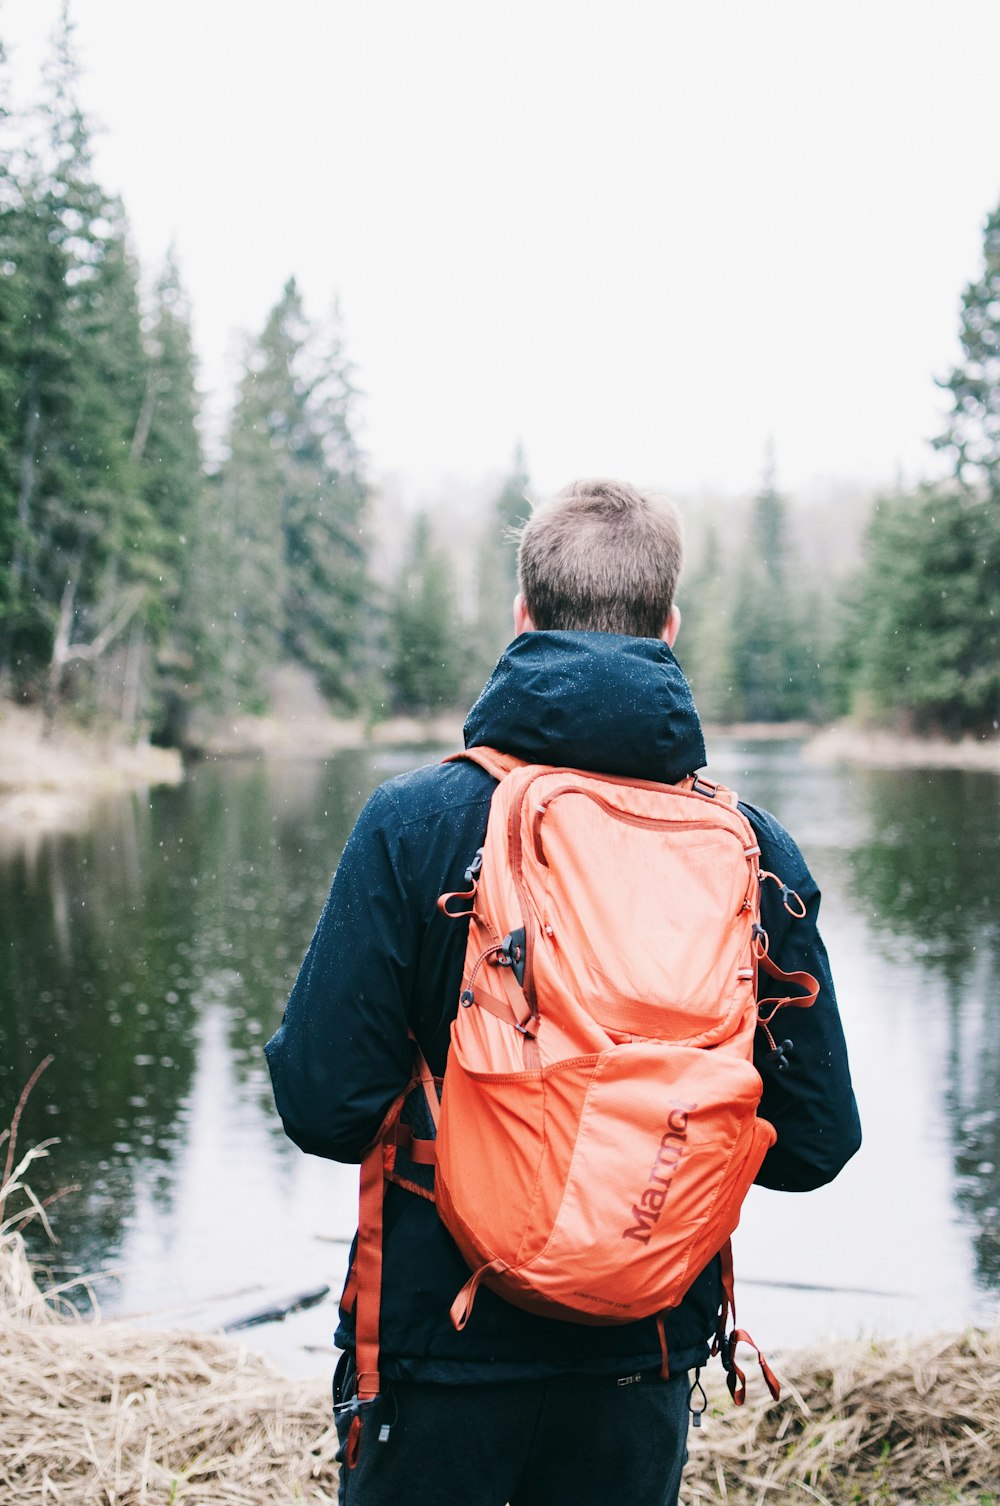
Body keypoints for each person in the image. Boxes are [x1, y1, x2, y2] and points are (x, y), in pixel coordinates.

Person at [265, 478, 862, 1506]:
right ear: (667, 629)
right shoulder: (753, 850)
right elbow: (814, 1145)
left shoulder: (414, 822)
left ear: (522, 618)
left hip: (436, 1346)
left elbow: (325, 1106)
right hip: (644, 1352)